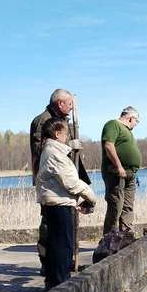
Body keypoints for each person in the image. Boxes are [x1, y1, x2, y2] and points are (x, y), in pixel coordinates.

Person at [35, 118, 96, 290]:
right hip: (59, 205)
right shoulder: (55, 154)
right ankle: (60, 286)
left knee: (57, 245)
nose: (67, 136)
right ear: (57, 134)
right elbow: (71, 183)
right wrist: (91, 197)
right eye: (66, 134)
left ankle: (54, 283)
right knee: (63, 247)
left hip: (56, 203)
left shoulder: (51, 151)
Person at [29, 90, 88, 271]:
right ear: (60, 103)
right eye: (69, 104)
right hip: (51, 182)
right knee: (50, 225)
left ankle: (65, 261)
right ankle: (49, 264)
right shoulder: (44, 121)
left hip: (64, 177)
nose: (71, 108)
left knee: (67, 224)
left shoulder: (63, 120)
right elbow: (43, 150)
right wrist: (69, 146)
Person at [101, 107, 142, 234]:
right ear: (130, 118)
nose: (136, 124)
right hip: (116, 173)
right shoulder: (113, 124)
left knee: (128, 207)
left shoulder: (127, 131)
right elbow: (109, 145)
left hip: (130, 174)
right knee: (116, 206)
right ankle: (109, 238)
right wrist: (119, 166)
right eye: (136, 121)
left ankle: (126, 236)